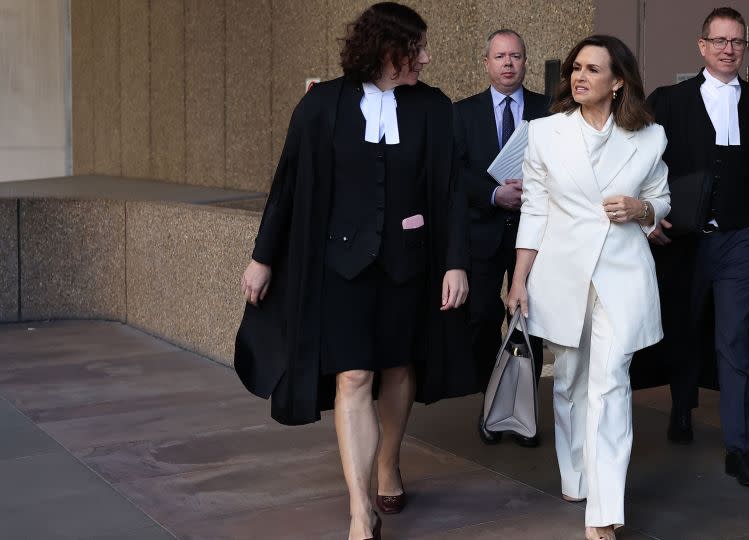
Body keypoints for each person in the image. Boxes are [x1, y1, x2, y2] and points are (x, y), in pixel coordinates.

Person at [232, 4, 472, 539]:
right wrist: (262, 255)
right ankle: (359, 510)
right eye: (418, 49)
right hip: (339, 267)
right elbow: (288, 182)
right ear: (388, 50)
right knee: (354, 374)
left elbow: (453, 192)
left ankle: (389, 460)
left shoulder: (433, 108)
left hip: (409, 265)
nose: (427, 58)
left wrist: (455, 262)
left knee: (398, 369)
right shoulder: (322, 105)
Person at [507, 35, 670, 540]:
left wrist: (641, 210)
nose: (579, 77)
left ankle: (604, 510)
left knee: (610, 385)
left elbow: (659, 199)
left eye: (592, 70)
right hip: (562, 274)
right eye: (575, 68)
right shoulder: (543, 133)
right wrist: (518, 278)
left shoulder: (650, 136)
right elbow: (534, 208)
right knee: (572, 380)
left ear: (618, 81)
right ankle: (575, 474)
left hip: (622, 276)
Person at [643, 7, 749, 488]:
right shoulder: (668, 101)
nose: (728, 49)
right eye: (719, 40)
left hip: (742, 240)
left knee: (735, 340)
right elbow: (640, 166)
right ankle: (682, 408)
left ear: (745, 47)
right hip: (683, 241)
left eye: (737, 41)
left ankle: (738, 447)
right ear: (701, 45)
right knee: (684, 327)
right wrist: (648, 219)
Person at [453, 29, 550, 448]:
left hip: (535, 235)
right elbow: (455, 174)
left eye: (515, 56)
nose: (508, 63)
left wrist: (533, 190)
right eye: (500, 56)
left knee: (531, 323)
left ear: (526, 62)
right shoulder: (462, 114)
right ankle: (490, 405)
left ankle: (524, 412)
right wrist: (494, 193)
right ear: (486, 62)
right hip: (482, 233)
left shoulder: (550, 111)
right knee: (479, 321)